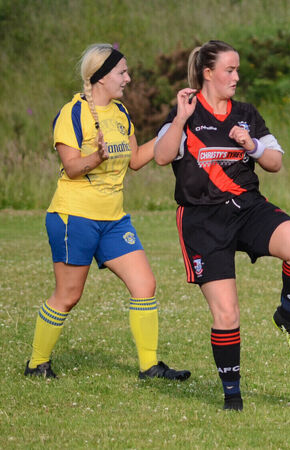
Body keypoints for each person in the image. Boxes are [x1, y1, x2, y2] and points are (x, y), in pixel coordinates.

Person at [153, 40, 290, 411]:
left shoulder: (245, 113)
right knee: (227, 314)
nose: (237, 77)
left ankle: (287, 314)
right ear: (208, 73)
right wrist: (178, 119)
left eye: (238, 69)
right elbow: (162, 158)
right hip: (202, 219)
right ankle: (233, 397)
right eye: (230, 70)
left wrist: (252, 144)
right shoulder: (187, 112)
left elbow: (274, 162)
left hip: (247, 208)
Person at [25, 43, 190, 382]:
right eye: (122, 72)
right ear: (99, 77)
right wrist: (96, 158)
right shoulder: (73, 113)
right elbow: (71, 167)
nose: (128, 78)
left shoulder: (120, 113)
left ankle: (149, 367)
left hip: (114, 219)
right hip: (74, 216)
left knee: (144, 283)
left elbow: (135, 160)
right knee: (69, 295)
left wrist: (175, 127)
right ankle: (36, 363)